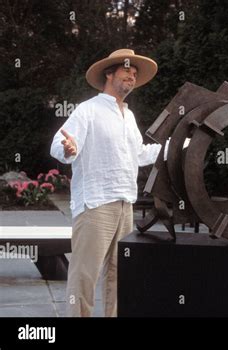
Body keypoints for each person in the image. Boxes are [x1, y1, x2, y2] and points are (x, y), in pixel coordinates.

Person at [50, 49, 161, 317]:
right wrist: (68, 148)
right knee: (84, 276)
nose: (132, 77)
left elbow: (140, 154)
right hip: (95, 204)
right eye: (126, 71)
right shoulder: (88, 110)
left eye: (135, 74)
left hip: (125, 204)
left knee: (118, 276)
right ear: (108, 74)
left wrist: (178, 147)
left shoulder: (128, 115)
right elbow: (59, 144)